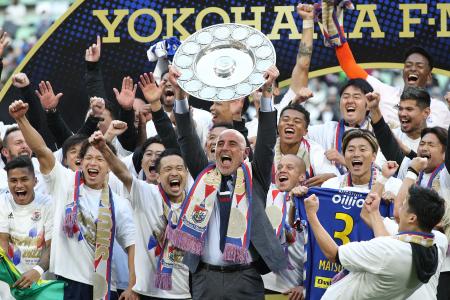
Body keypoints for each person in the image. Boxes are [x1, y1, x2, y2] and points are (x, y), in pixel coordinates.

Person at [169, 64, 287, 300]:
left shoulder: (256, 179)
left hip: (244, 278)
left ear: (244, 155)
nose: (224, 147)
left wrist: (266, 94)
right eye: (220, 144)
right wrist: (180, 96)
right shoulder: (204, 174)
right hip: (205, 277)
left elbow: (265, 140)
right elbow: (186, 137)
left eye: (233, 144)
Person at [8, 99, 138, 300]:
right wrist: (21, 119)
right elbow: (42, 150)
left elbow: (132, 246)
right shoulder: (65, 181)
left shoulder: (118, 204)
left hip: (102, 287)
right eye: (88, 158)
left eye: (100, 158)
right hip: (66, 283)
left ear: (110, 166)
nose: (93, 162)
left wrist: (132, 286)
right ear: (81, 162)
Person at [90, 132, 191, 300]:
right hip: (147, 292)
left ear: (186, 174)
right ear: (157, 177)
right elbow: (123, 173)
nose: (174, 173)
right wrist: (103, 149)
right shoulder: (147, 193)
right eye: (167, 169)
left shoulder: (195, 206)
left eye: (179, 168)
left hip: (183, 292)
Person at [304, 184, 445, 299]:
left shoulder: (391, 251)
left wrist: (311, 215)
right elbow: (388, 247)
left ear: (412, 218)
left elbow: (333, 253)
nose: (399, 210)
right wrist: (374, 213)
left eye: (403, 206)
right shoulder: (433, 250)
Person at [332, 28, 450, 129]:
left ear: (429, 77)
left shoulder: (440, 109)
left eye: (419, 66)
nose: (412, 69)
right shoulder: (383, 93)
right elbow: (349, 66)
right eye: (408, 65)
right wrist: (336, 28)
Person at [0, 156, 53, 287]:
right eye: (13, 180)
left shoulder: (49, 204)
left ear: (35, 181)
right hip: (11, 282)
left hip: (41, 281)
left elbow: (51, 245)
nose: (19, 185)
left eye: (24, 179)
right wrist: (12, 278)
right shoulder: (3, 202)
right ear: (7, 182)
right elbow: (3, 244)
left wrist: (37, 271)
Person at [262, 154, 306, 300]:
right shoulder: (265, 197)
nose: (282, 170)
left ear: (301, 177)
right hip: (261, 285)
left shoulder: (311, 203)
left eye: (290, 167)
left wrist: (306, 284)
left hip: (292, 291)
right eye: (279, 167)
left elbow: (316, 249)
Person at [307, 79, 374, 172]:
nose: (350, 101)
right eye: (345, 97)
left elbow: (382, 172)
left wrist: (343, 161)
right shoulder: (327, 130)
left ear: (368, 105)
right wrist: (296, 102)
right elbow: (296, 133)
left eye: (356, 97)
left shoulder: (378, 133)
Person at [321, 129, 402, 194]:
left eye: (362, 149)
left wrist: (394, 204)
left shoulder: (394, 187)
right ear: (344, 155)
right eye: (351, 150)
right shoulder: (330, 187)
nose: (356, 154)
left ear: (374, 156)